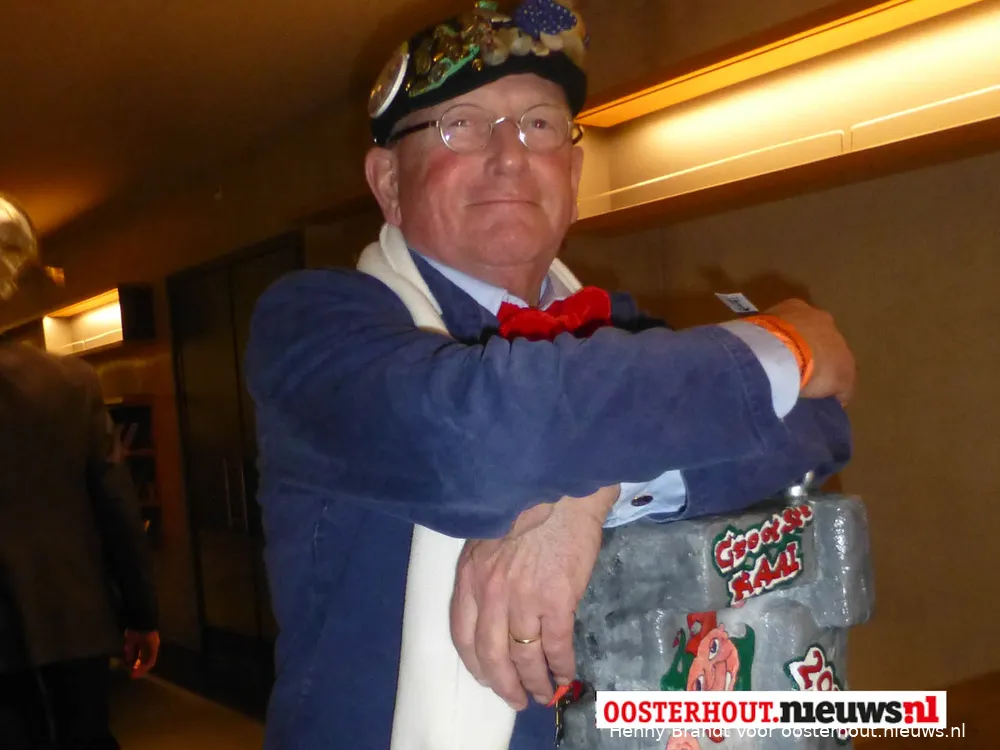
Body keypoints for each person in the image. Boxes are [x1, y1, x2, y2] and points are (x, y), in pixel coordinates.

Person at [244, 1, 856, 748]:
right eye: (462, 125)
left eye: (538, 124)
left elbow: (813, 427)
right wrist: (787, 344)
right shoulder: (313, 324)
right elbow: (478, 440)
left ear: (572, 171)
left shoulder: (619, 332)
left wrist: (591, 495)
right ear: (389, 182)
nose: (509, 156)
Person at [0, 342, 160, 750]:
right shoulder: (73, 379)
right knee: (86, 734)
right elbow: (117, 503)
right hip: (75, 611)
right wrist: (141, 614)